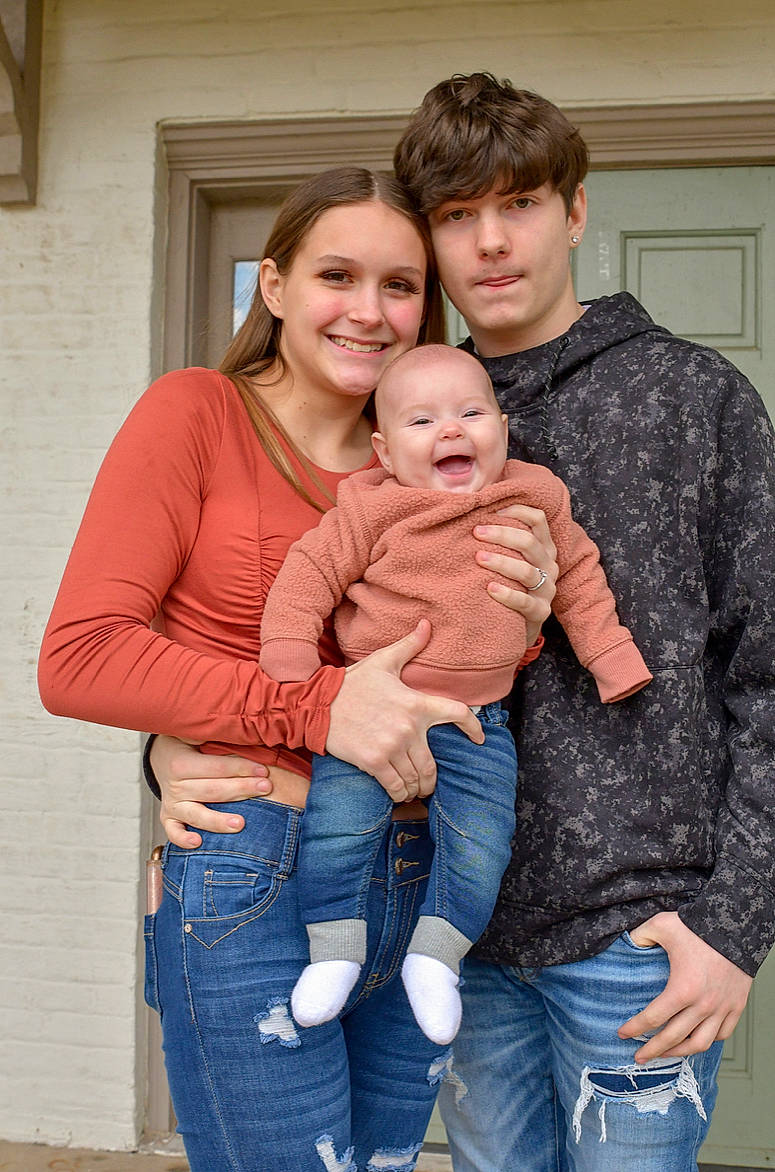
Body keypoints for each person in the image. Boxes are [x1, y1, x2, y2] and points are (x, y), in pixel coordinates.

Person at [37, 166, 558, 1172]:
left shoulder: (437, 451)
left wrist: (527, 623)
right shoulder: (197, 412)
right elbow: (81, 655)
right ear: (273, 286)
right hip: (257, 870)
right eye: (336, 276)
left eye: (400, 286)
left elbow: (463, 657)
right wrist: (311, 711)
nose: (369, 311)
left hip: (425, 876)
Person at [389, 73, 775, 1171]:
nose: (490, 240)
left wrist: (732, 927)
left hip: (637, 943)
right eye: (457, 214)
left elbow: (767, 671)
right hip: (455, 935)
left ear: (574, 211)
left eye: (517, 203)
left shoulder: (691, 399)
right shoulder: (400, 419)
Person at [259, 342, 651, 1046]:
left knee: (480, 844)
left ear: (502, 427)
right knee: (340, 829)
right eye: (421, 421)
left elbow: (578, 577)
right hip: (372, 712)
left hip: (480, 722)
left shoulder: (533, 496)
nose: (449, 430)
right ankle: (334, 952)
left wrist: (610, 656)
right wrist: (289, 649)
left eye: (471, 413)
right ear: (383, 450)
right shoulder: (371, 507)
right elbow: (309, 570)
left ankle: (434, 959)